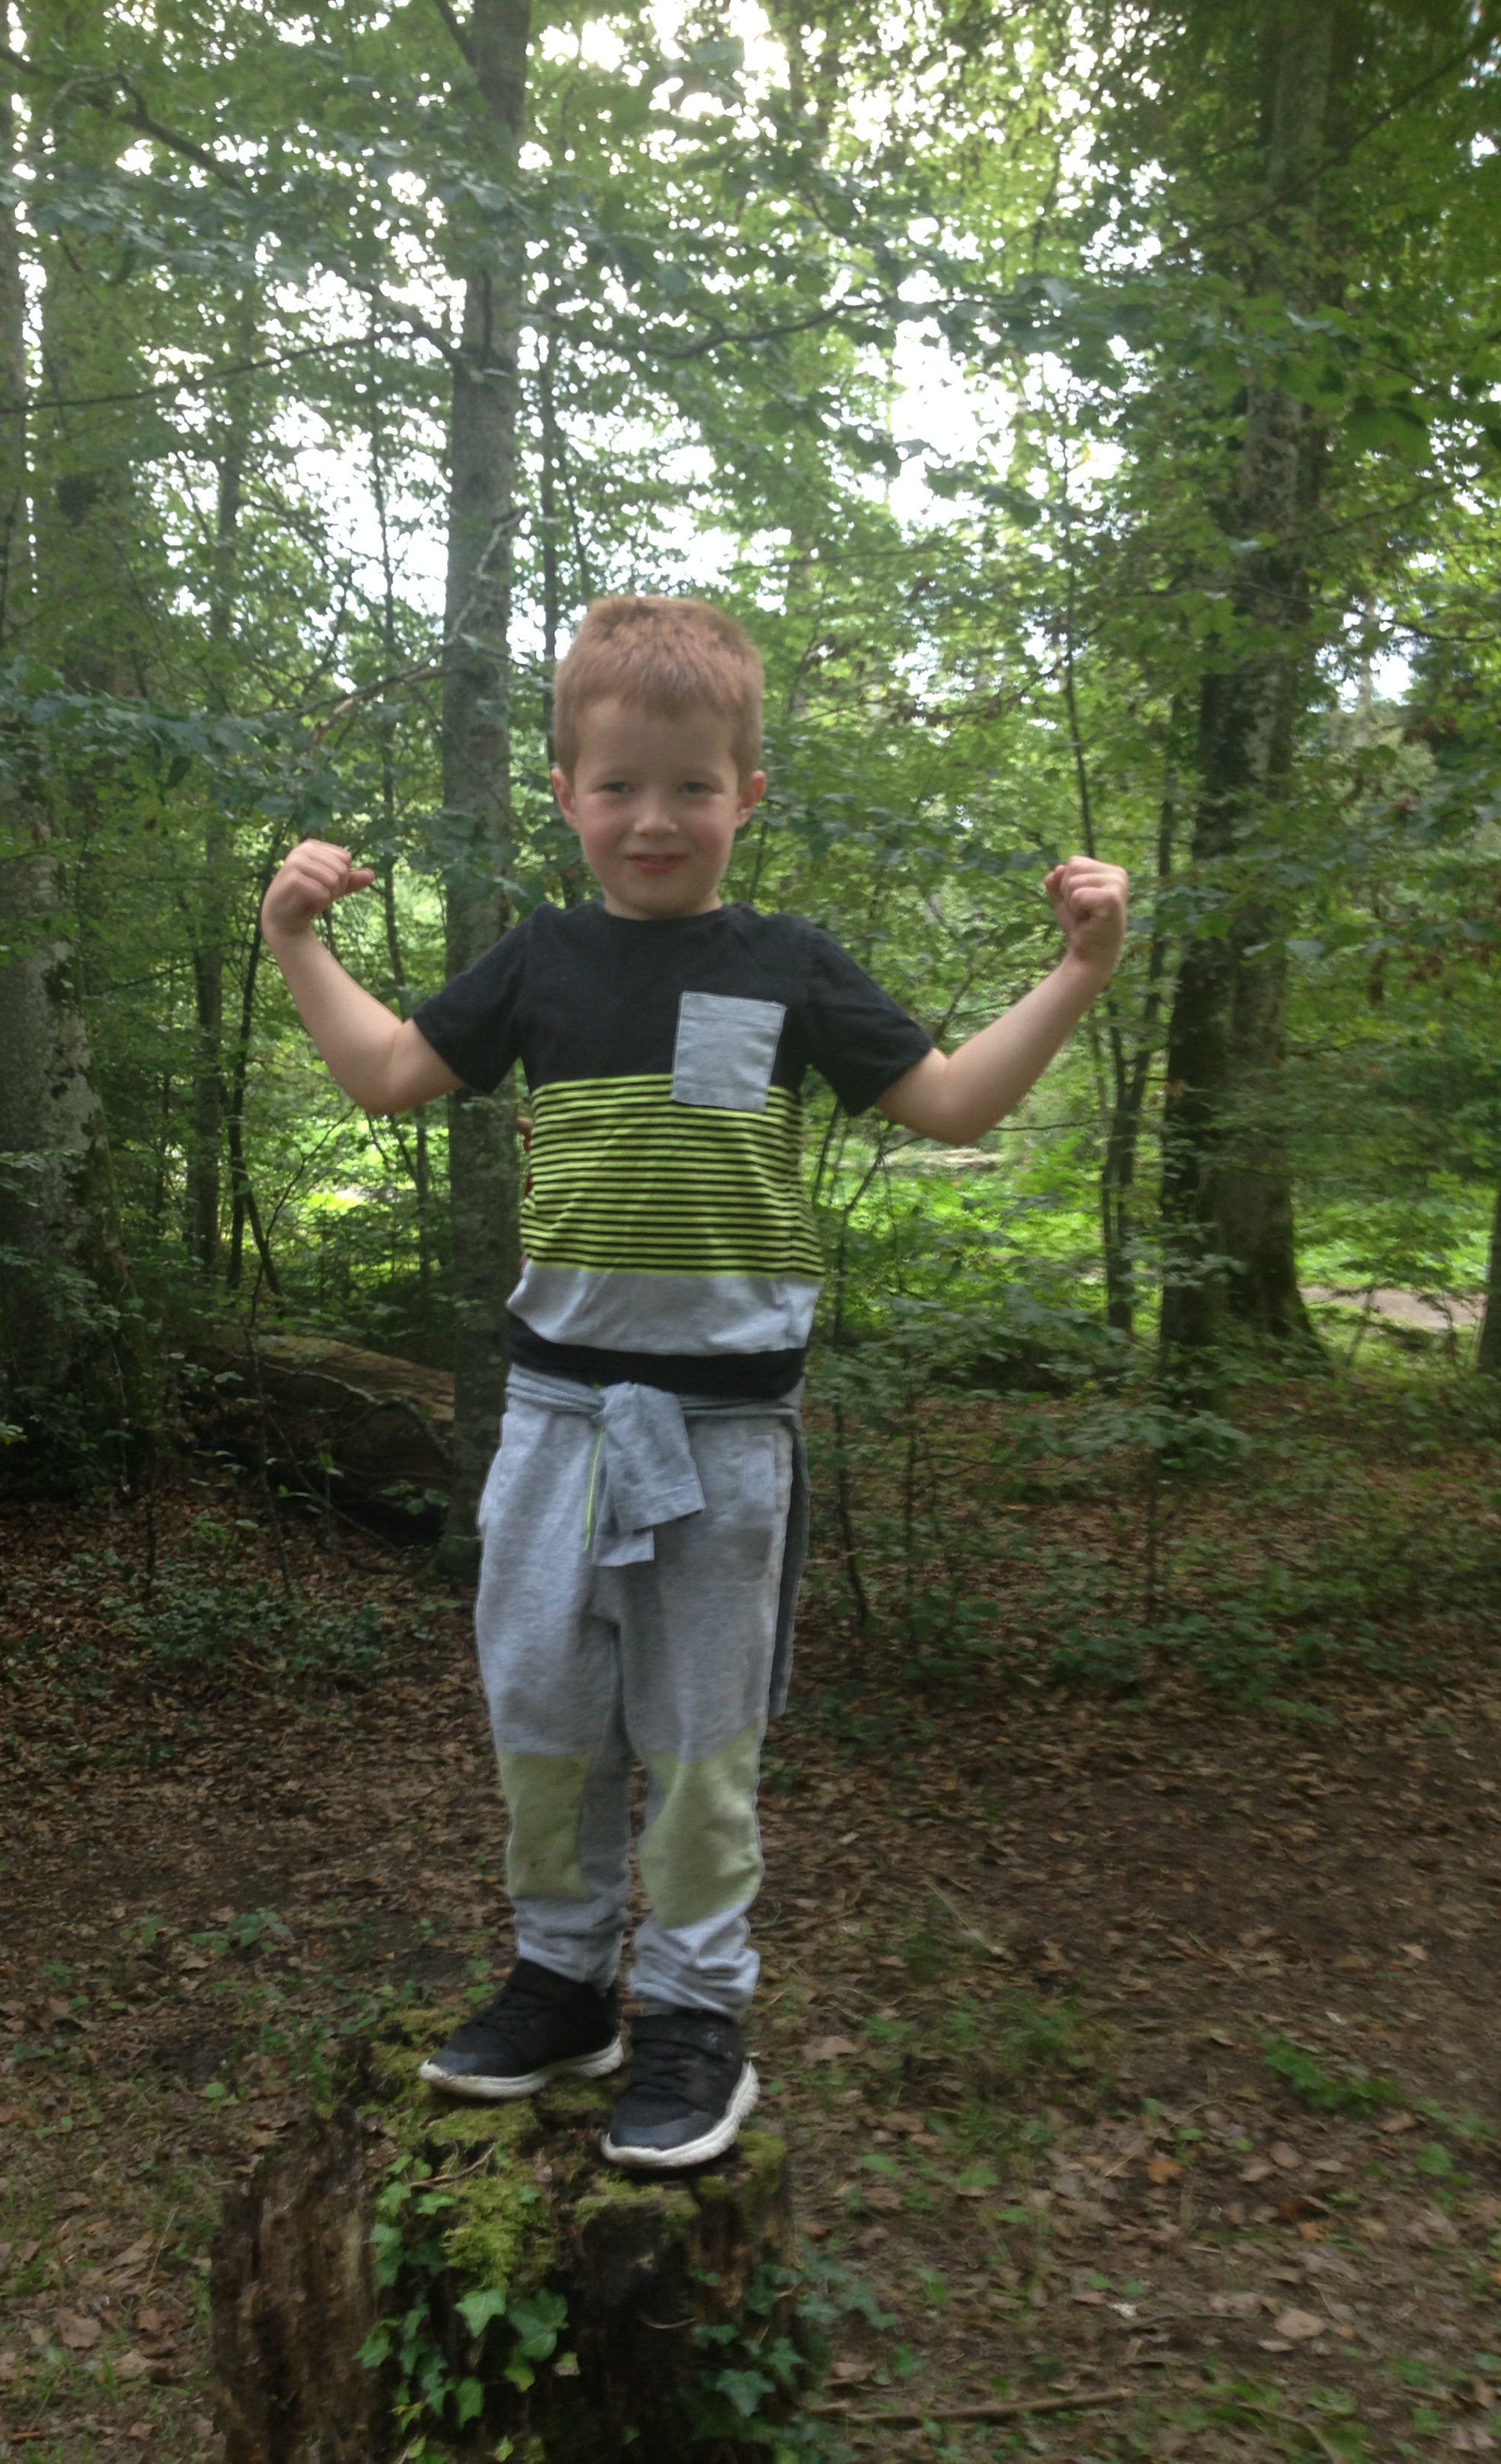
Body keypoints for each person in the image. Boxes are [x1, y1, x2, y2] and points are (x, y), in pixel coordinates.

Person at [259, 595, 1128, 2170]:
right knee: (543, 1714)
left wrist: (1079, 971)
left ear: (749, 795)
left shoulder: (787, 966)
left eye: (692, 788)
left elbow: (947, 1106)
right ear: (566, 794)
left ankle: (695, 2012)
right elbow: (385, 1076)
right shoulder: (540, 960)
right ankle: (561, 1982)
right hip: (556, 1424)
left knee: (700, 1739)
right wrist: (294, 940)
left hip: (723, 1433)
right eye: (618, 786)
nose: (653, 820)